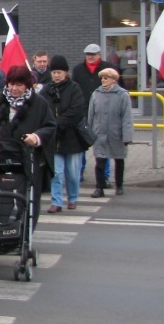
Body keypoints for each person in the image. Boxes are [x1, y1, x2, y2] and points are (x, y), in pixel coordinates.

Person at [0, 65, 57, 227]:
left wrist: (36, 137)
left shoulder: (39, 103)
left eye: (19, 85)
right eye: (11, 84)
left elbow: (50, 126)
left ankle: (23, 233)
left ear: (27, 85)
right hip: (0, 157)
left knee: (29, 197)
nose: (14, 88)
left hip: (28, 158)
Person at [44, 55, 85, 213]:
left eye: (59, 72)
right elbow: (41, 107)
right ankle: (56, 201)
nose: (56, 75)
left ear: (66, 73)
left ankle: (73, 197)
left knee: (73, 173)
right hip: (54, 140)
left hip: (72, 137)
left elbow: (76, 110)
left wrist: (57, 123)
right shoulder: (47, 89)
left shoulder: (74, 88)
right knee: (56, 172)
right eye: (54, 72)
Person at [72, 44, 118, 182]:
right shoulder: (78, 70)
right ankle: (79, 172)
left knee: (103, 145)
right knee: (81, 144)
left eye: (93, 54)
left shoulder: (108, 68)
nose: (90, 57)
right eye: (88, 54)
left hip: (102, 112)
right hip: (83, 111)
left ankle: (104, 175)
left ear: (99, 55)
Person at [88, 68, 134, 198]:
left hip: (116, 133)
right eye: (102, 78)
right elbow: (91, 115)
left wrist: (127, 136)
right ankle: (99, 188)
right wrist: (90, 133)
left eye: (106, 78)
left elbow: (127, 117)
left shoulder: (122, 95)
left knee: (119, 160)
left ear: (113, 80)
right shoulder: (96, 94)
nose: (103, 80)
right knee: (100, 162)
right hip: (100, 134)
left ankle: (119, 185)